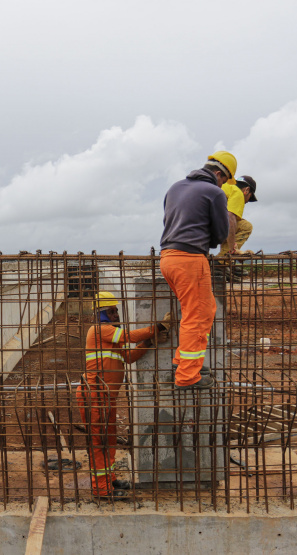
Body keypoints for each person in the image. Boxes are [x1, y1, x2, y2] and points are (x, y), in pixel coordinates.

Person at [77, 292, 165, 500]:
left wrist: (149, 343)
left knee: (108, 440)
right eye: (111, 311)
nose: (116, 315)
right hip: (94, 396)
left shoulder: (112, 338)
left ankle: (109, 479)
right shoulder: (99, 330)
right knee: (99, 443)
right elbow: (128, 336)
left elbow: (129, 357)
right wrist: (158, 328)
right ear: (101, 315)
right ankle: (101, 489)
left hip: (107, 397)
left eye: (116, 311)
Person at [159, 151, 233, 390]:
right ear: (219, 174)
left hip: (168, 257)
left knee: (200, 310)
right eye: (224, 180)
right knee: (198, 315)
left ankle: (182, 362)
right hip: (190, 259)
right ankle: (187, 376)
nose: (223, 185)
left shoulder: (175, 188)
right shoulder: (214, 192)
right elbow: (221, 234)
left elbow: (171, 221)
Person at [219, 175, 258, 255]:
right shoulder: (237, 192)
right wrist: (233, 249)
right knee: (246, 226)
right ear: (246, 190)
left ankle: (223, 260)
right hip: (206, 227)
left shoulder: (225, 187)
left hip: (196, 227)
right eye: (249, 197)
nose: (246, 202)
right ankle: (221, 261)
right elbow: (230, 220)